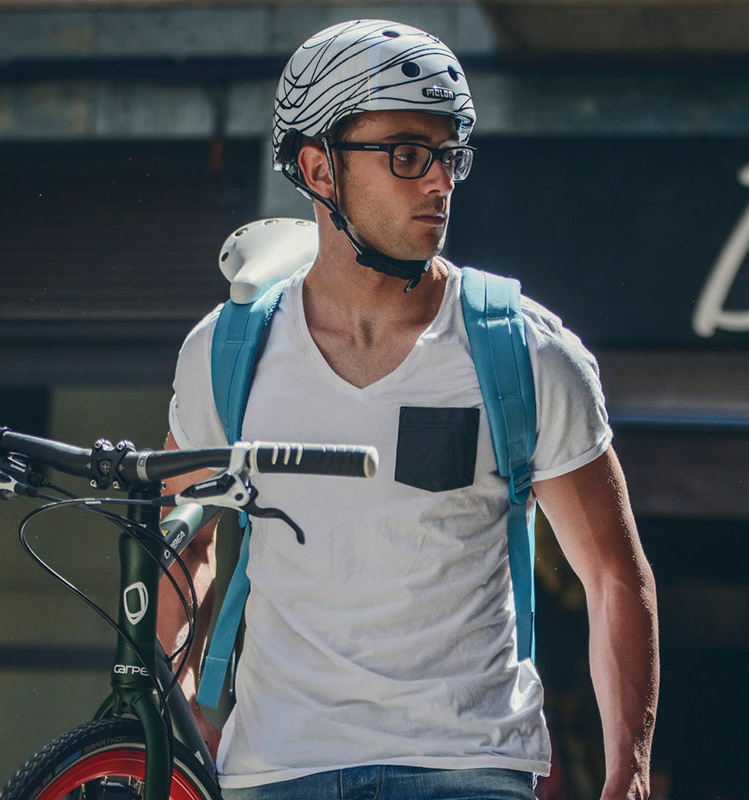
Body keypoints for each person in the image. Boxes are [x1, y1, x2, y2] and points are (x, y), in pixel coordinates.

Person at [159, 18, 659, 800]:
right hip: (276, 769)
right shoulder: (226, 355)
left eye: (448, 154)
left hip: (467, 769)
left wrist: (628, 774)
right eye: (406, 154)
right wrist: (175, 706)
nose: (439, 181)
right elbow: (183, 543)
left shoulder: (525, 352)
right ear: (319, 169)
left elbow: (613, 577)